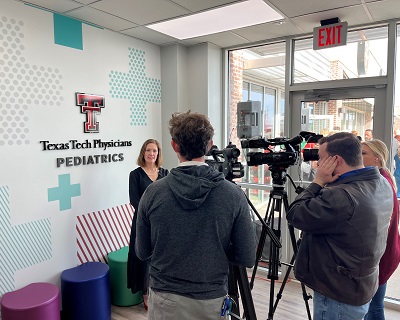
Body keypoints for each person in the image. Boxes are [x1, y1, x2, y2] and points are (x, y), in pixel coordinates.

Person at [135, 111, 256, 320]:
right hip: (211, 301)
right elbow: (246, 256)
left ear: (174, 146)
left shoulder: (152, 193)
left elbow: (142, 251)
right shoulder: (233, 195)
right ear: (210, 145)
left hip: (165, 300)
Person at [286, 132, 393, 320]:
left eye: (321, 158)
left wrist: (318, 181)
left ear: (336, 160)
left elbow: (295, 214)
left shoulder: (341, 196)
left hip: (337, 292)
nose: (318, 164)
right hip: (360, 285)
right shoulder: (382, 182)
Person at [127, 139, 169, 310]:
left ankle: (162, 289)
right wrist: (150, 216)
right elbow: (134, 200)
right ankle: (145, 293)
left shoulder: (166, 173)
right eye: (148, 150)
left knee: (162, 257)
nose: (152, 154)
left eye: (155, 151)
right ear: (143, 153)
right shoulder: (135, 175)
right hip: (143, 223)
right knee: (144, 258)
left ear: (158, 153)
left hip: (163, 223)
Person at [361, 140, 400, 320]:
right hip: (385, 253)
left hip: (381, 255)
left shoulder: (381, 182)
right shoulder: (383, 177)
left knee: (374, 307)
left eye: (364, 154)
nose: (359, 157)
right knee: (374, 305)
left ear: (377, 158)